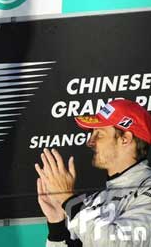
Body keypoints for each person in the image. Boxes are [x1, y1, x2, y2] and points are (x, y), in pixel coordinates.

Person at [35, 99, 151, 246]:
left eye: (99, 134)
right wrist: (57, 226)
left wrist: (67, 199)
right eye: (92, 134)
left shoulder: (146, 190)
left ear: (125, 139)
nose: (90, 142)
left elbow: (116, 243)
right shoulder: (91, 202)